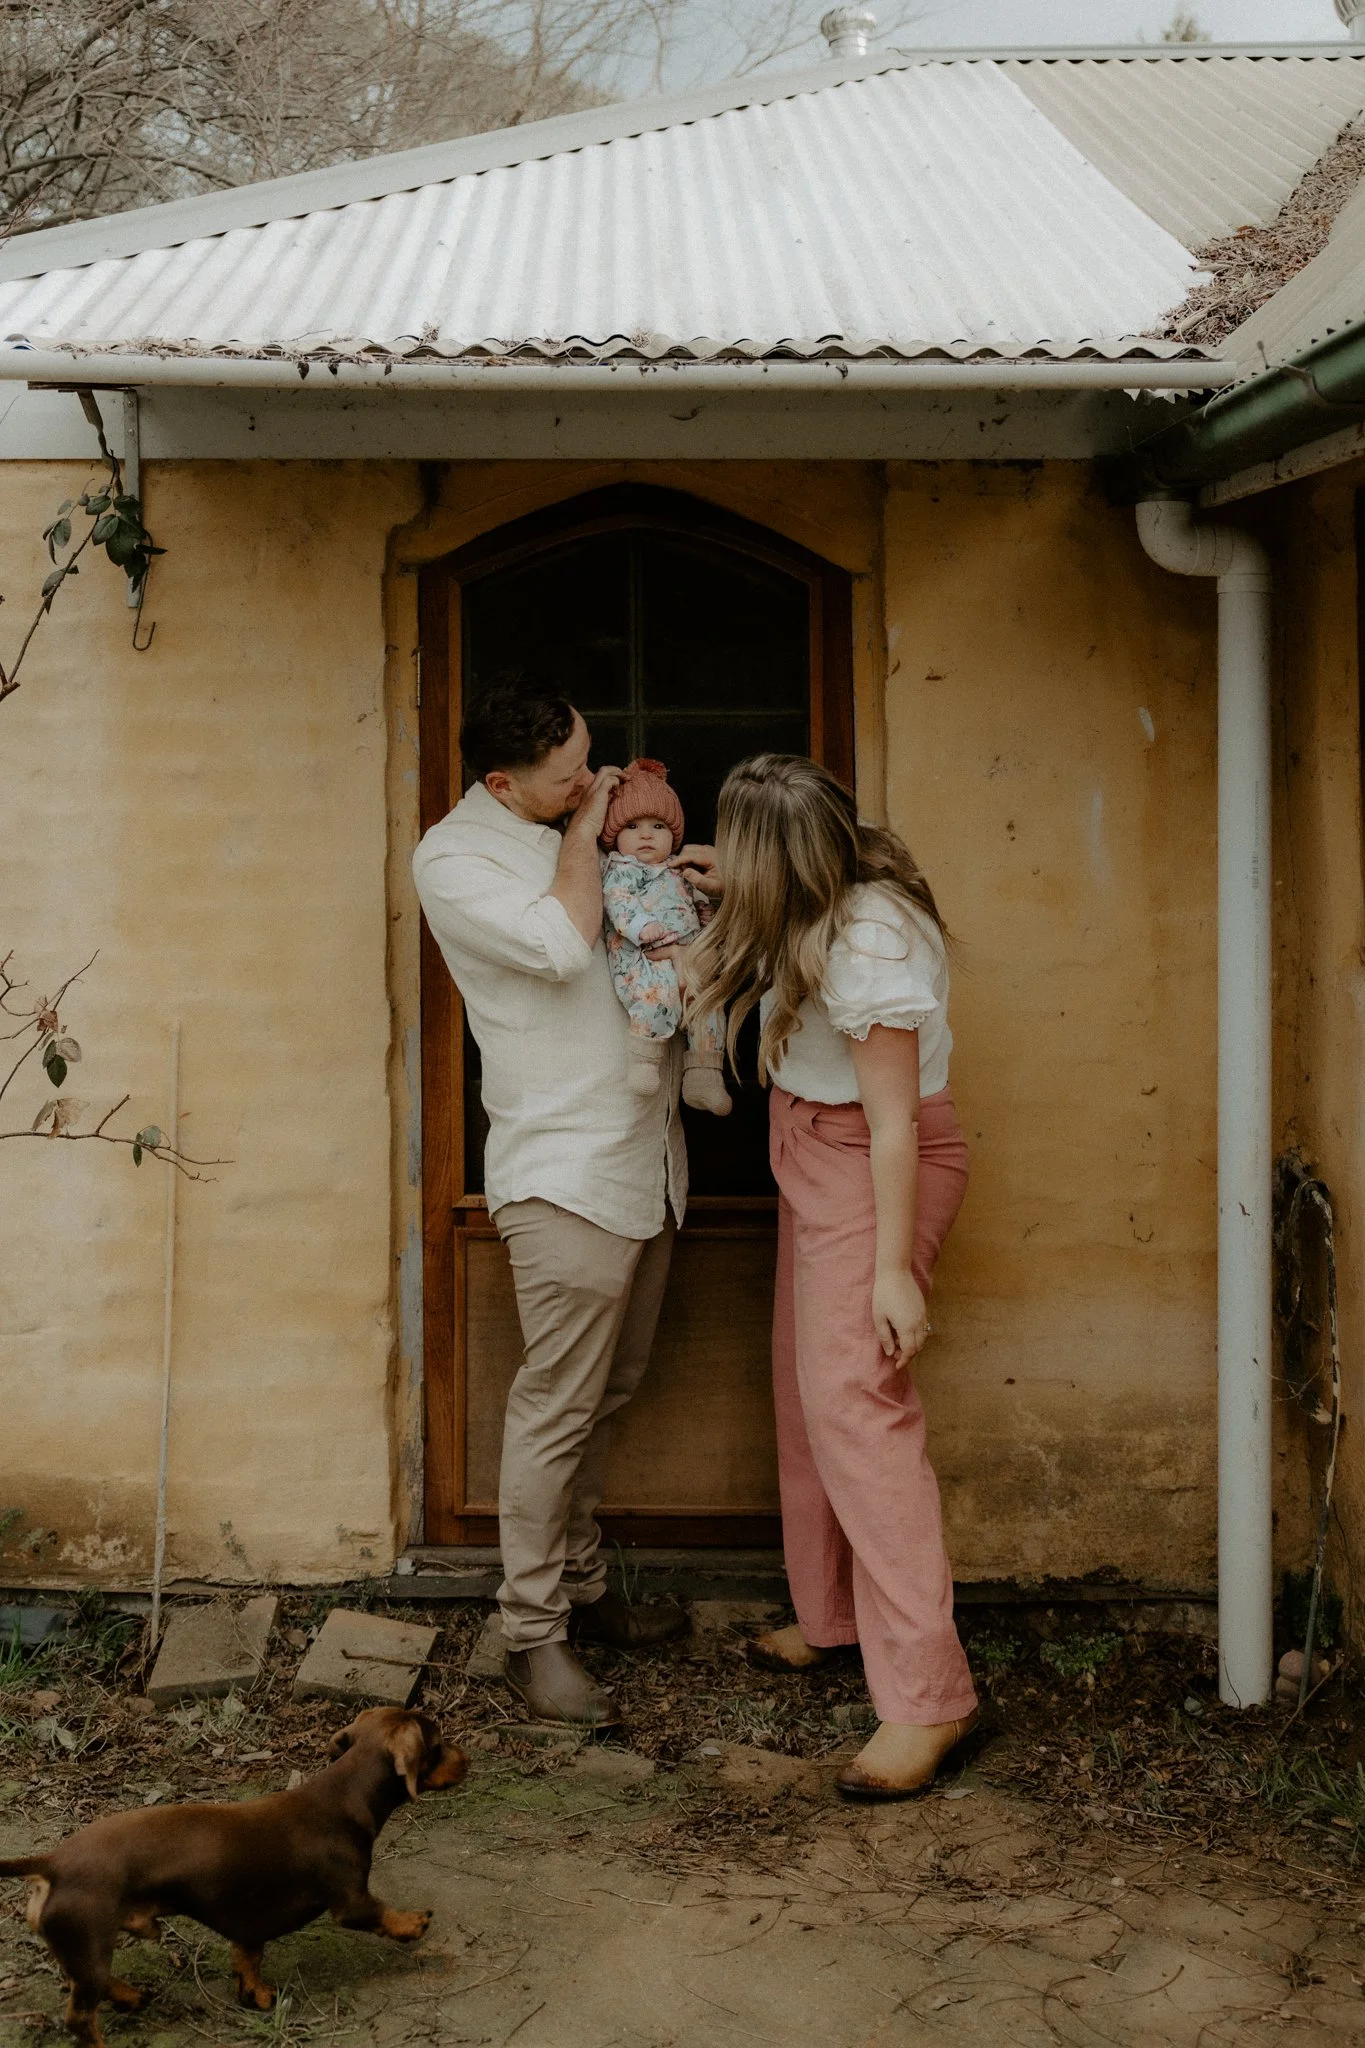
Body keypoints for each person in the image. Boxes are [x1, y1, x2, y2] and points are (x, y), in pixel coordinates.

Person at [678, 754, 979, 1799]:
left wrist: (893, 1270)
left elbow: (898, 1122)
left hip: (869, 1160)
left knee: (859, 1409)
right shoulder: (828, 893)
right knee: (808, 1400)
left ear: (786, 868)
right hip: (818, 1147)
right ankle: (832, 1616)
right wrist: (735, 876)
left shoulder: (870, 946)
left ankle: (930, 1701)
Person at [412, 681, 689, 1729]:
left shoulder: (583, 817)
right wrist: (585, 826)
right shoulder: (456, 858)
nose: (596, 780)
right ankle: (532, 1633)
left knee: (608, 1394)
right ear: (500, 782)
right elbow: (568, 943)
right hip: (564, 1169)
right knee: (556, 1403)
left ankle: (586, 1586)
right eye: (571, 772)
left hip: (648, 1159)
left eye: (590, 757)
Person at [598, 757, 731, 1115]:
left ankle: (704, 1075)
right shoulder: (621, 870)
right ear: (613, 837)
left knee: (709, 1006)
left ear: (673, 834)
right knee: (655, 1000)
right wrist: (641, 926)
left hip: (691, 955)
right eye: (633, 826)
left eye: (657, 825)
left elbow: (694, 897)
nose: (646, 834)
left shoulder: (678, 868)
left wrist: (706, 913)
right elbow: (617, 903)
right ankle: (644, 1061)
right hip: (645, 958)